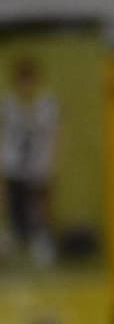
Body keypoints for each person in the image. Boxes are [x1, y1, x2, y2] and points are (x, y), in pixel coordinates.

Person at [3, 55, 57, 267]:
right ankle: (10, 237)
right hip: (13, 162)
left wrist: (51, 159)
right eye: (21, 81)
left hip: (38, 163)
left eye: (29, 81)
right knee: (10, 202)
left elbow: (54, 132)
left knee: (40, 203)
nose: (26, 86)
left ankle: (42, 240)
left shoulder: (46, 104)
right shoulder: (8, 104)